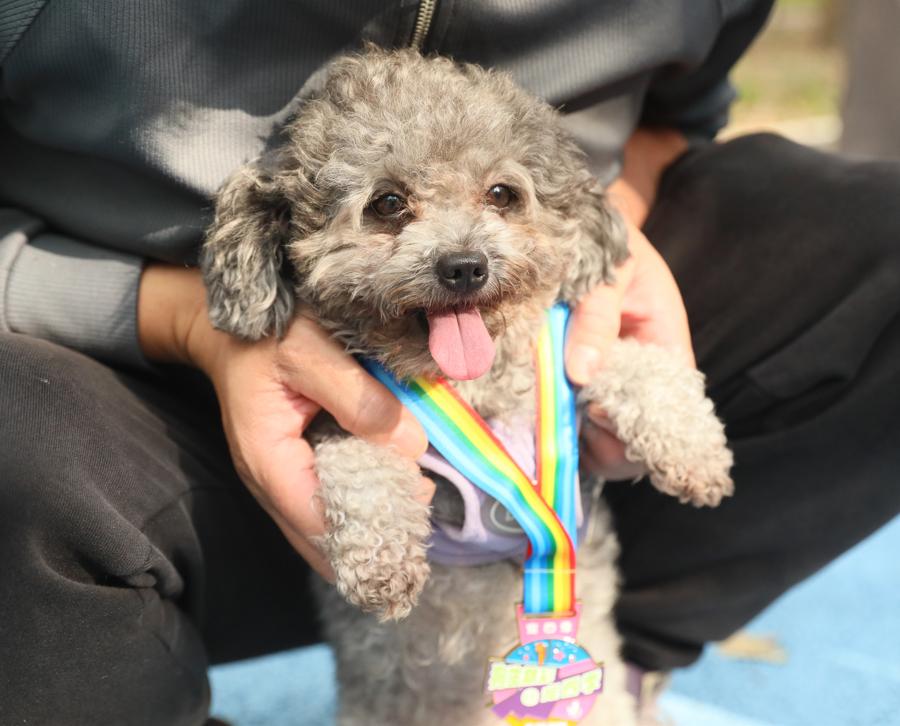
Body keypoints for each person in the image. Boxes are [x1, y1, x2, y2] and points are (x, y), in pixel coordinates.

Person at [1, 2, 897, 724]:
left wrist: (609, 221)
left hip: (554, 393)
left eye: (498, 195)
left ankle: (595, 668)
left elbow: (679, 117)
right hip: (161, 394)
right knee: (19, 428)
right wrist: (188, 320)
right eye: (391, 206)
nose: (461, 250)